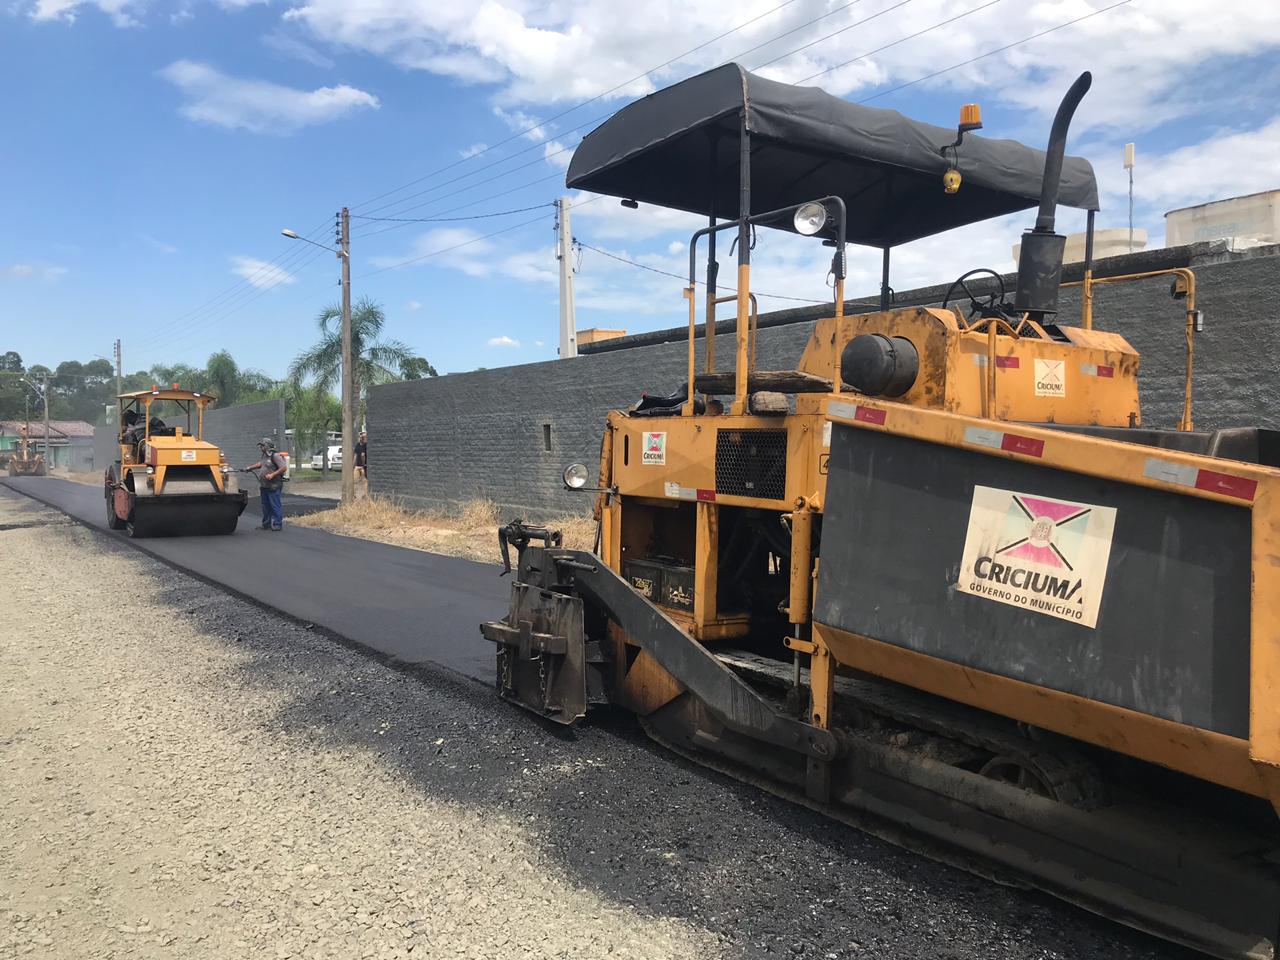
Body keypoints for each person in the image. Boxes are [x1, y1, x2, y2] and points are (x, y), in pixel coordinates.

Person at [245, 437, 287, 531]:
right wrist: (250, 468)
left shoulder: (275, 456)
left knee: (274, 505)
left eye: (262, 445)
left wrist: (272, 474)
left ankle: (277, 524)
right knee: (265, 506)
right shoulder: (264, 456)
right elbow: (261, 464)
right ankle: (266, 524)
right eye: (261, 446)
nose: (261, 447)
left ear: (267, 446)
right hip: (264, 485)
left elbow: (283, 468)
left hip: (274, 485)